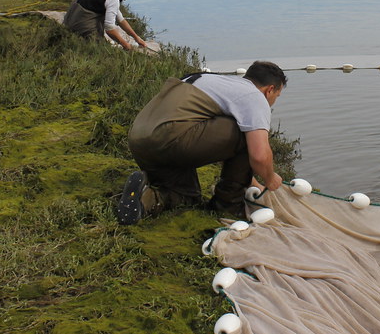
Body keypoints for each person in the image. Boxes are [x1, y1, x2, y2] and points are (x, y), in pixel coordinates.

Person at [116, 61, 288, 225]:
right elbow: (258, 155)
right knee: (246, 132)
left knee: (187, 196)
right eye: (277, 96)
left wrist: (251, 182)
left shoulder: (214, 82)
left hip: (140, 141)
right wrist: (270, 178)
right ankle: (228, 206)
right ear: (270, 90)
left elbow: (216, 139)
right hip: (172, 138)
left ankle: (143, 200)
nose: (273, 102)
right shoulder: (254, 96)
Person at [63, 0, 149, 50]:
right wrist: (125, 45)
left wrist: (136, 38)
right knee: (100, 48)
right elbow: (109, 28)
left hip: (69, 20)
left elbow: (120, 20)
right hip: (80, 22)